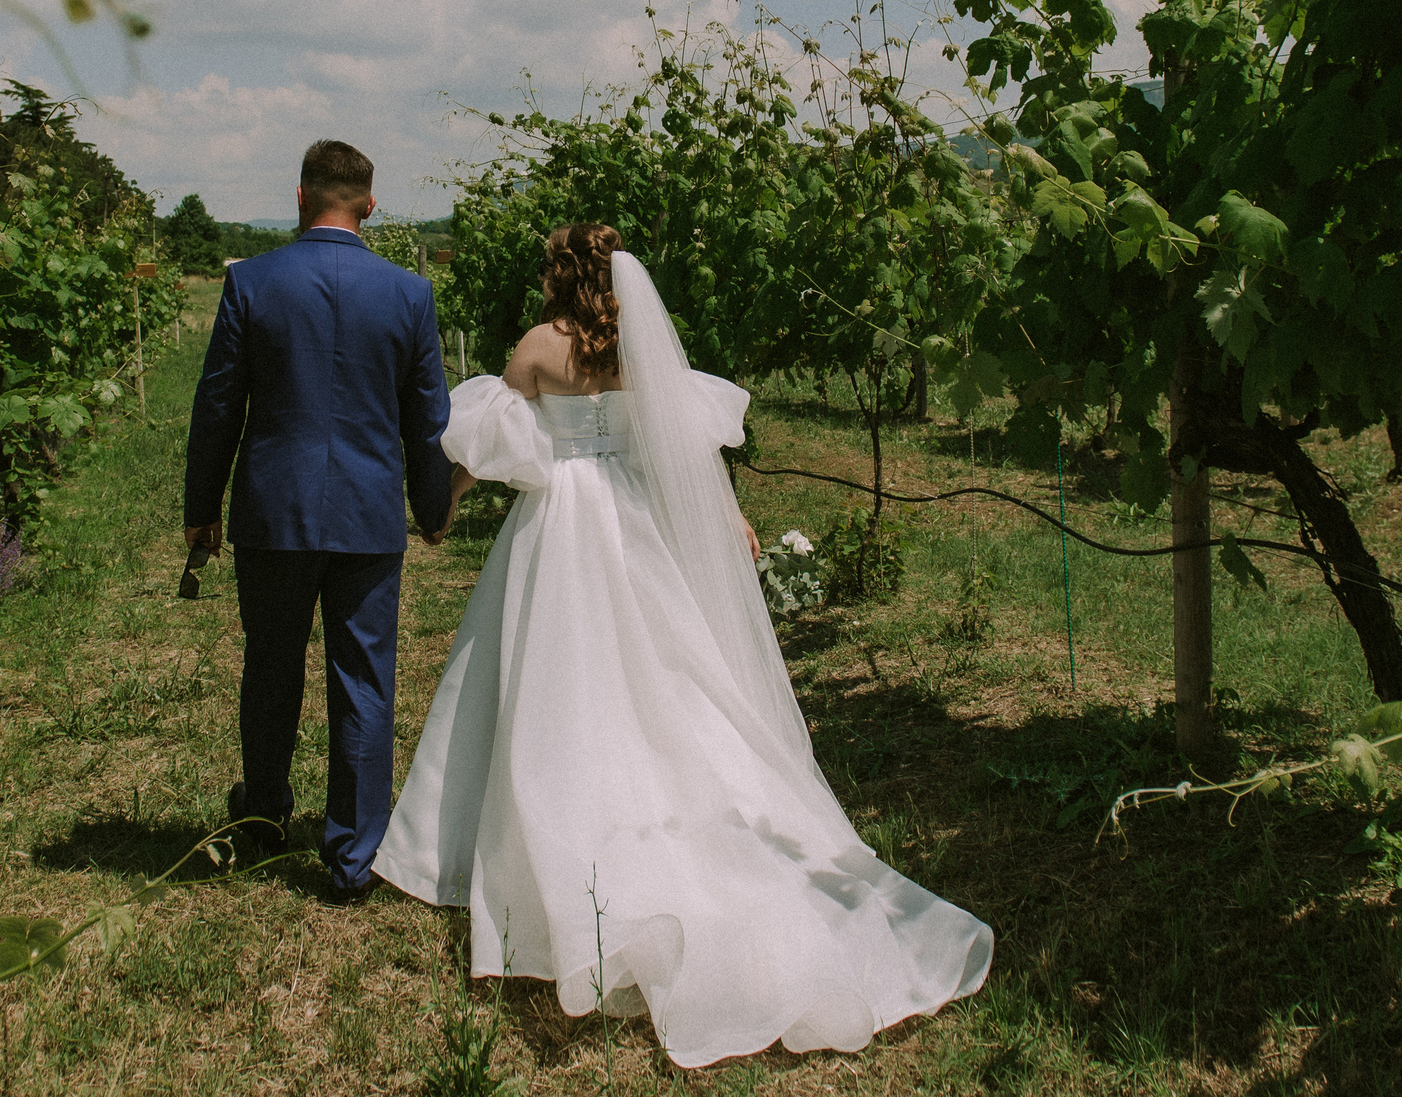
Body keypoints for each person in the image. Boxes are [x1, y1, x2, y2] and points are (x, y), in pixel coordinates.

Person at [372, 223, 993, 1067]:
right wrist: (728, 516)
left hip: (561, 527)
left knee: (556, 683)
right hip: (636, 517)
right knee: (665, 674)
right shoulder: (644, 349)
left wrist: (441, 502)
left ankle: (546, 852)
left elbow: (497, 446)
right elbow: (681, 447)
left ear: (560, 276)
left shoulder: (538, 348)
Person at [184, 139, 453, 902]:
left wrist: (201, 511)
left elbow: (217, 406)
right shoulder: (409, 294)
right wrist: (432, 509)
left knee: (270, 666)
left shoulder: (252, 284)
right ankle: (353, 856)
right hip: (369, 516)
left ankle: (264, 818)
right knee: (364, 677)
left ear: (300, 198)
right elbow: (427, 420)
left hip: (274, 511)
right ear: (370, 206)